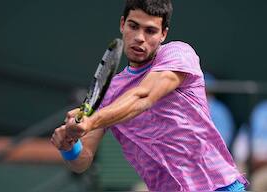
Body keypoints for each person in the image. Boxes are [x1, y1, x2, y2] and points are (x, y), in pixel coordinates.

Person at [51, 0, 248, 191]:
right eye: (133, 26)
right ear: (122, 24)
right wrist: (69, 146)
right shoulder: (108, 94)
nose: (140, 37)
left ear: (163, 34)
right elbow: (82, 160)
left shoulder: (178, 54)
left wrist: (91, 120)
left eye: (150, 31)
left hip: (218, 187)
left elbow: (144, 96)